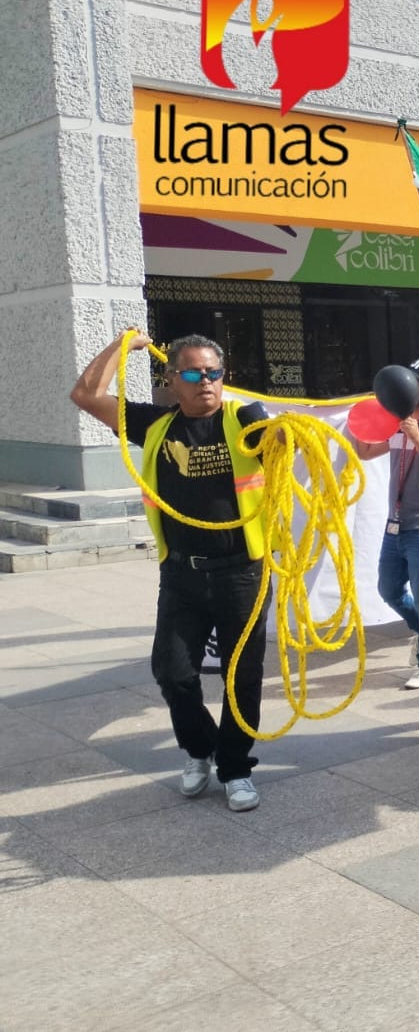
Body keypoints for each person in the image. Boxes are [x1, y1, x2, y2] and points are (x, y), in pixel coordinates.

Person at [70, 332, 270, 812]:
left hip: (242, 572)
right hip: (181, 574)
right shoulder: (155, 424)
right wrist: (123, 345)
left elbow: (289, 446)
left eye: (214, 372)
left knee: (241, 677)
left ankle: (237, 769)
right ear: (170, 380)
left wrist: (278, 434)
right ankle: (203, 750)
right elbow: (85, 395)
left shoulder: (244, 419)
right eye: (193, 373)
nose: (206, 382)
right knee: (172, 671)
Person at [354, 357, 419, 689]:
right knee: (388, 589)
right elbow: (366, 452)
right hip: (394, 523)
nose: (407, 386)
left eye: (416, 382)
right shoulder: (396, 422)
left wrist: (416, 434)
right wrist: (362, 421)